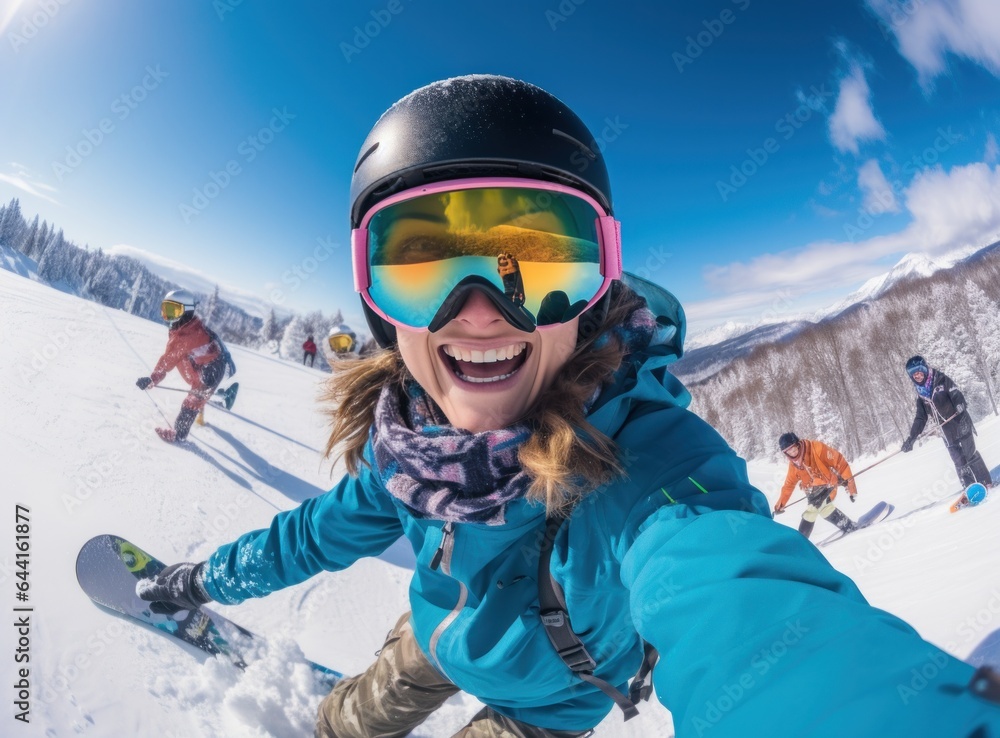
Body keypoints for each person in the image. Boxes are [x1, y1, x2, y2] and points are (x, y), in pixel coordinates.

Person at [135, 76, 1000, 737]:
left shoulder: (649, 468)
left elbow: (744, 598)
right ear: (374, 304)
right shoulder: (403, 452)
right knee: (348, 722)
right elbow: (315, 532)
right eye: (421, 263)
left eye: (537, 265)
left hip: (547, 708)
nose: (478, 313)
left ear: (597, 290)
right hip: (435, 636)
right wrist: (201, 579)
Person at [136, 289, 234, 443]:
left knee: (192, 401)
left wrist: (152, 379)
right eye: (166, 310)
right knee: (197, 390)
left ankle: (179, 435)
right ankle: (211, 401)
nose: (168, 316)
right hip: (202, 366)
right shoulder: (186, 327)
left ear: (186, 312)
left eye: (173, 311)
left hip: (211, 372)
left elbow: (168, 359)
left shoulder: (187, 336)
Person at [900, 355, 993, 492]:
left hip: (960, 422)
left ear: (925, 370)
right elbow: (920, 418)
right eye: (914, 375)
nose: (918, 377)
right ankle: (970, 487)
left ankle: (986, 483)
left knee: (970, 454)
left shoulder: (941, 380)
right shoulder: (921, 395)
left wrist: (960, 404)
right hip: (946, 431)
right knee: (959, 461)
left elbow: (955, 393)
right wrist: (911, 438)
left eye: (919, 373)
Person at [773, 432, 858, 540]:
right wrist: (780, 504)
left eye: (794, 449)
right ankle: (849, 526)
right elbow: (788, 485)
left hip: (827, 485)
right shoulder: (793, 466)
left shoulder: (816, 448)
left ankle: (800, 543)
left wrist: (851, 487)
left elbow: (840, 462)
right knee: (825, 509)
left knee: (811, 510)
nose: (793, 453)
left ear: (798, 444)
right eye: (789, 452)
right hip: (812, 492)